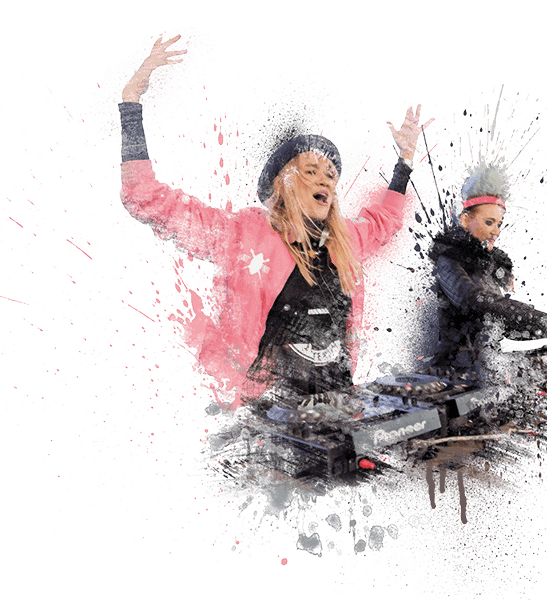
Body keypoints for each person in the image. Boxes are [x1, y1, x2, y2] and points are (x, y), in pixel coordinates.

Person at [118, 35, 435, 412]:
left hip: (335, 407)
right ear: (283, 181)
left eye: (331, 174)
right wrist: (131, 102)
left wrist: (405, 161)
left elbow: (385, 219)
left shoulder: (344, 239)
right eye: (311, 171)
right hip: (263, 416)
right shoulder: (239, 233)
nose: (325, 180)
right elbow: (147, 198)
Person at [426, 162, 547, 372]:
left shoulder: (487, 267)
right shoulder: (447, 260)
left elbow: (504, 322)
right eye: (489, 222)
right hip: (456, 371)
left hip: (488, 365)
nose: (496, 231)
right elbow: (475, 300)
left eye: (499, 224)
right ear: (465, 220)